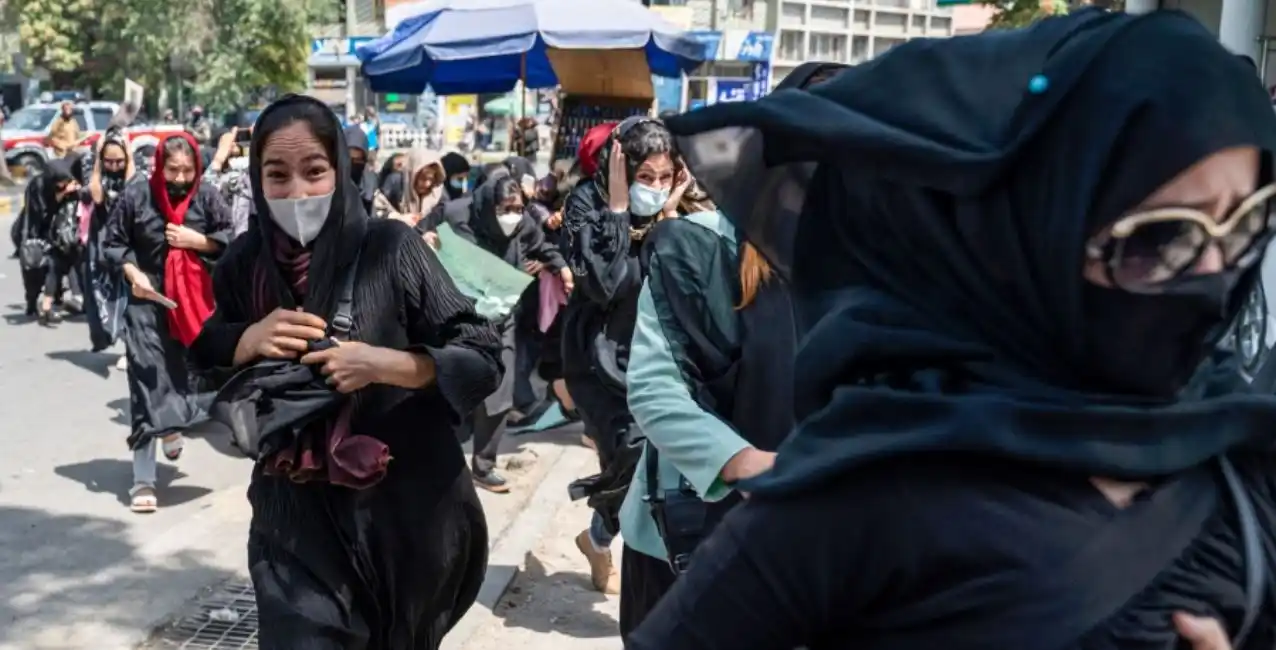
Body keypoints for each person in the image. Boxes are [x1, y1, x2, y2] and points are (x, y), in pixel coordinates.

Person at [629, 9, 1276, 648]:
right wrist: (748, 465)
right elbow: (656, 389)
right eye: (1159, 238)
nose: (1213, 275)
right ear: (1032, 231)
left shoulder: (1235, 447)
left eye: (1246, 222)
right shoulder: (861, 494)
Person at [188, 94, 501, 649]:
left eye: (314, 172)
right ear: (257, 180)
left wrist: (389, 365)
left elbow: (480, 353)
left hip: (404, 512)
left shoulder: (390, 247)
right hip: (294, 517)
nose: (298, 193)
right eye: (277, 176)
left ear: (339, 167)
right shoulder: (242, 264)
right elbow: (206, 357)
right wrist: (245, 339)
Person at [616, 178, 793, 636]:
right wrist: (748, 465)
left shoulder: (876, 264)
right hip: (689, 543)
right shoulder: (696, 246)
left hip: (817, 551)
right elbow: (656, 389)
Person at [560, 117, 679, 595]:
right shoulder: (585, 205)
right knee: (631, 460)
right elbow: (604, 283)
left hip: (652, 353)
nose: (653, 187)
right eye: (644, 176)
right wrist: (617, 208)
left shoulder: (673, 211)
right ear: (621, 166)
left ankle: (597, 538)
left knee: (652, 463)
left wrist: (668, 220)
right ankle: (613, 549)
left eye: (663, 177)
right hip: (598, 360)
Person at [103, 132, 231, 513]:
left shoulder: (207, 196)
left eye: (187, 171)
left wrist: (199, 241)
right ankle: (144, 479)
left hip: (191, 304)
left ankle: (172, 426)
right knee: (145, 380)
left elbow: (232, 240)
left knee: (185, 374)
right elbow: (113, 242)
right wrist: (132, 273)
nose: (179, 178)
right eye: (172, 170)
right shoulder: (136, 196)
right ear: (159, 166)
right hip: (146, 303)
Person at [429, 173, 571, 492]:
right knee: (453, 390)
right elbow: (419, 234)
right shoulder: (456, 214)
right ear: (488, 206)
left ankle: (484, 465)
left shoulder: (522, 225)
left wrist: (560, 266)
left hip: (501, 316)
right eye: (505, 209)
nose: (512, 215)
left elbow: (543, 246)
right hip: (460, 318)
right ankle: (443, 461)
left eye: (518, 208)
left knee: (501, 394)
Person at [83, 129, 136, 352]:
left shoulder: (134, 171)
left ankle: (128, 345)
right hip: (102, 242)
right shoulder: (97, 174)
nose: (114, 166)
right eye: (109, 161)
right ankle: (108, 336)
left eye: (119, 161)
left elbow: (133, 187)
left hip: (128, 242)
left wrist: (130, 156)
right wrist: (97, 159)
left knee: (129, 294)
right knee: (102, 293)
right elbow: (96, 195)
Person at [18, 158, 81, 322]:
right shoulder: (37, 186)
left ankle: (53, 301)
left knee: (59, 263)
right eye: (59, 183)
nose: (63, 185)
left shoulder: (68, 185)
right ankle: (32, 302)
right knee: (33, 270)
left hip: (59, 234)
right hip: (35, 231)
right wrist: (60, 195)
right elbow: (39, 215)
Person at [344, 125, 379, 215]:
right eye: (349, 158)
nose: (353, 164)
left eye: (359, 160)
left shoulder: (370, 182)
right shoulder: (328, 182)